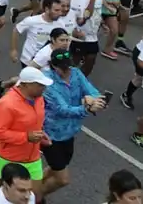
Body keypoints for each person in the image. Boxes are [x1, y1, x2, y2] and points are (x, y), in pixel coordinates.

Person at [0, 67, 53, 202]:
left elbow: (34, 121)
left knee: (35, 196)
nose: (44, 88)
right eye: (40, 85)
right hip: (8, 157)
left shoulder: (39, 99)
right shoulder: (6, 104)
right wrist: (26, 137)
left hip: (33, 157)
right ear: (26, 85)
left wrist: (41, 134)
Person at [41, 48, 106, 200]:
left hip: (70, 131)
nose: (67, 70)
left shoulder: (75, 73)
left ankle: (32, 188)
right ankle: (35, 196)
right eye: (63, 68)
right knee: (63, 179)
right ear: (53, 66)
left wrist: (96, 100)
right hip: (52, 135)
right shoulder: (47, 82)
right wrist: (87, 107)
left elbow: (90, 90)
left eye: (68, 66)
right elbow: (63, 109)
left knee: (55, 168)